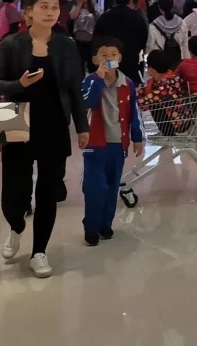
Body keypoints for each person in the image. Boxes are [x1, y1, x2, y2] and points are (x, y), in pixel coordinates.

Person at [0, 0, 90, 278]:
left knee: (48, 191)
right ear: (28, 12)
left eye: (54, 7)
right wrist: (19, 85)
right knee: (14, 192)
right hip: (17, 123)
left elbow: (74, 88)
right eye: (43, 7)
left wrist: (82, 126)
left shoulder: (66, 46)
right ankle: (16, 226)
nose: (50, 12)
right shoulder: (11, 44)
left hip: (54, 124)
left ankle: (39, 251)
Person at [80, 38, 144, 246]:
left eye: (113, 55)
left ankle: (105, 224)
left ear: (120, 58)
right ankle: (91, 226)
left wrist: (137, 138)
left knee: (112, 186)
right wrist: (99, 79)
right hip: (94, 144)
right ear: (95, 59)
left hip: (118, 143)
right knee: (95, 187)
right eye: (104, 55)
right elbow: (87, 102)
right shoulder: (89, 81)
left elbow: (134, 113)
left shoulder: (128, 84)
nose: (109, 59)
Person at [94, 0, 149, 85]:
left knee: (111, 81)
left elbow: (97, 37)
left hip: (110, 58)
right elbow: (143, 38)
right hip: (130, 57)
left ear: (115, 0)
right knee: (128, 84)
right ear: (130, 0)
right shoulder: (136, 17)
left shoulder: (105, 17)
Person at [145, 0, 186, 72]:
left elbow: (150, 46)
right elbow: (185, 44)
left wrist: (148, 61)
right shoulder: (181, 22)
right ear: (172, 6)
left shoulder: (154, 25)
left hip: (159, 62)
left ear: (159, 8)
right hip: (177, 61)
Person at [69, 0, 98, 72]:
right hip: (78, 40)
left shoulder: (94, 7)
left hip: (91, 41)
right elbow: (72, 17)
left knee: (92, 65)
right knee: (79, 64)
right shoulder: (75, 6)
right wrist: (79, 4)